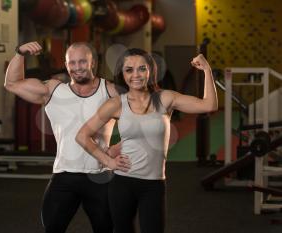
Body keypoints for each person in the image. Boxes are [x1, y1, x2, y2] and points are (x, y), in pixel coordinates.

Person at [76, 48, 218, 233]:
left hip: (153, 184)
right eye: (129, 70)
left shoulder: (165, 98)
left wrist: (207, 70)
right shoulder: (116, 104)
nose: (136, 75)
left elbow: (209, 105)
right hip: (122, 183)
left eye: (142, 68)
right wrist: (108, 161)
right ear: (122, 74)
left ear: (151, 71)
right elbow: (82, 135)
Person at [4, 41, 130, 233]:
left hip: (100, 176)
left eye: (82, 62)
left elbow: (144, 122)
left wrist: (115, 148)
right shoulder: (53, 90)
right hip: (64, 175)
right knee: (52, 228)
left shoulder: (110, 91)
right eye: (72, 63)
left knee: (106, 229)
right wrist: (19, 53)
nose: (77, 67)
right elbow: (12, 84)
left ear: (93, 63)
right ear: (66, 64)